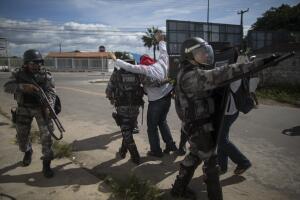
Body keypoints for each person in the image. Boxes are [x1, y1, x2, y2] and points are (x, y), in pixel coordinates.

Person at [171, 37, 282, 200]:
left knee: (194, 156)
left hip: (196, 125)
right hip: (199, 128)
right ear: (189, 54)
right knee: (211, 166)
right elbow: (221, 74)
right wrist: (257, 64)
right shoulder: (190, 76)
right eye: (200, 52)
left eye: (204, 51)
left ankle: (177, 190)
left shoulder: (188, 70)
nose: (204, 55)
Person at [108, 30, 177, 157]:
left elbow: (130, 68)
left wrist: (115, 59)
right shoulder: (161, 63)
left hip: (156, 102)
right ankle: (171, 145)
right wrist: (161, 40)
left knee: (152, 127)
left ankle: (156, 151)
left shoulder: (145, 69)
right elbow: (164, 52)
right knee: (162, 122)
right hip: (167, 98)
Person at [4, 49, 56, 178]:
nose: (36, 65)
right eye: (33, 63)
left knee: (46, 137)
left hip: (41, 109)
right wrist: (23, 87)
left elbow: (52, 92)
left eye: (39, 63)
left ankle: (46, 163)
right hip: (23, 109)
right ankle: (27, 151)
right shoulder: (18, 74)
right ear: (26, 63)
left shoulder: (46, 75)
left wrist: (49, 105)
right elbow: (7, 87)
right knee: (21, 136)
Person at [105, 53, 144, 164]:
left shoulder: (116, 74)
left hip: (122, 107)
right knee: (128, 129)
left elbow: (108, 91)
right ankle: (122, 151)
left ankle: (135, 155)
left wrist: (111, 98)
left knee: (126, 130)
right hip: (135, 108)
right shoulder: (138, 73)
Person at [217, 79, 252, 176]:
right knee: (222, 139)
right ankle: (221, 166)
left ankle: (243, 162)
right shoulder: (238, 71)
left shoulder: (234, 74)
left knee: (221, 140)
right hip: (230, 111)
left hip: (227, 112)